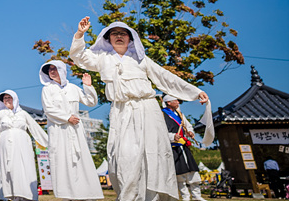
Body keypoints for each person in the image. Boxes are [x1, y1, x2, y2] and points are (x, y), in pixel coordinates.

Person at [70, 17, 209, 201]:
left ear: (130, 38)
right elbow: (78, 56)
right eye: (114, 33)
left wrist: (195, 91)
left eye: (123, 33)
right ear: (108, 38)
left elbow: (165, 77)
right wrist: (80, 33)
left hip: (148, 109)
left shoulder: (141, 59)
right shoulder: (102, 58)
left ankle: (154, 198)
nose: (119, 36)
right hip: (122, 111)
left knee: (153, 154)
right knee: (124, 156)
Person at [38, 60, 103, 201]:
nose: (52, 72)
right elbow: (49, 110)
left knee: (80, 160)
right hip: (58, 129)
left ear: (62, 70)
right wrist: (67, 117)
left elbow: (91, 102)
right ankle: (66, 195)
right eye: (49, 70)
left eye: (55, 68)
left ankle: (85, 194)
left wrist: (88, 86)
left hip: (75, 129)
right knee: (62, 160)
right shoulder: (47, 89)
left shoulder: (73, 88)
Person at [0, 91, 47, 201]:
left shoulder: (23, 114)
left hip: (22, 144)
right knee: (10, 169)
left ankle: (28, 195)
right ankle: (14, 195)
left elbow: (35, 128)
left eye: (9, 97)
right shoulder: (0, 114)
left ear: (14, 99)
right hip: (6, 145)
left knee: (25, 167)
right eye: (4, 98)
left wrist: (48, 143)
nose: (7, 100)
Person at [162, 96, 204, 201]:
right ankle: (185, 197)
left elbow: (187, 126)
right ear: (168, 102)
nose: (178, 102)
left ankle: (197, 196)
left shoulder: (179, 114)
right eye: (176, 101)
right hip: (172, 147)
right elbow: (159, 132)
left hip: (183, 146)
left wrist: (190, 132)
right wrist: (172, 136)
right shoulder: (161, 114)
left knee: (193, 171)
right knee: (179, 174)